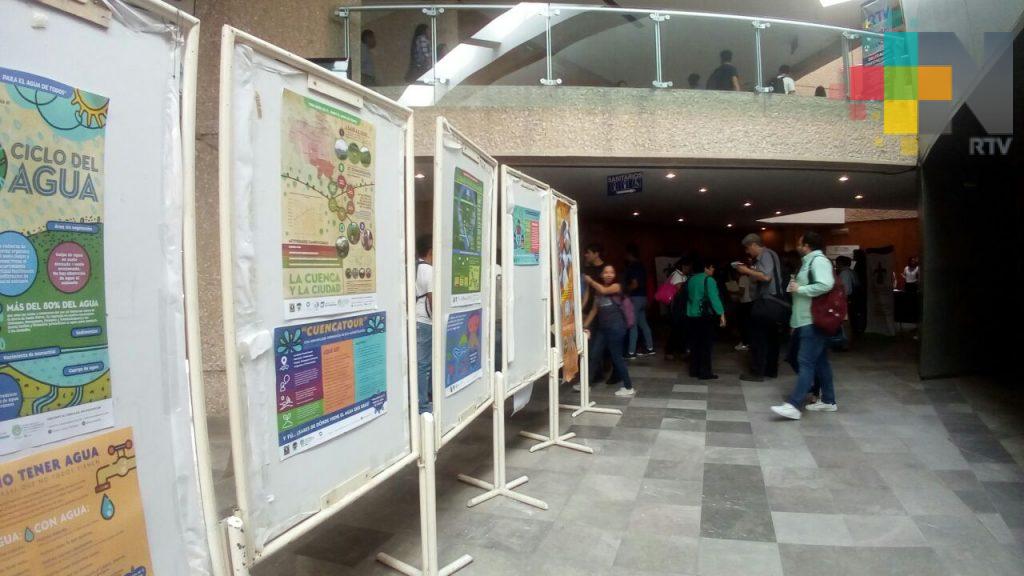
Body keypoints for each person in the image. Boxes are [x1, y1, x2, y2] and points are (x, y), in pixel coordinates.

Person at [772, 231, 837, 419]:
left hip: (812, 320)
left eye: (800, 243)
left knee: (805, 362)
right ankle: (828, 400)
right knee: (821, 362)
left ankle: (794, 404)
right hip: (805, 320)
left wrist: (800, 288)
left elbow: (825, 284)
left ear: (807, 245)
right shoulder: (808, 262)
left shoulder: (818, 261)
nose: (797, 246)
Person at [734, 234, 785, 382]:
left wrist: (746, 271)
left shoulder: (766, 255)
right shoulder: (772, 254)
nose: (747, 252)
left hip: (766, 301)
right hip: (775, 301)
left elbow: (766, 277)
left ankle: (757, 372)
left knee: (758, 337)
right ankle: (770, 370)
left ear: (754, 245)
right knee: (772, 337)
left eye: (747, 248)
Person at [583, 265, 635, 397]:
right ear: (601, 275)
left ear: (615, 275)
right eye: (606, 272)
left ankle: (628, 387)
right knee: (594, 355)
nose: (609, 274)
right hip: (603, 329)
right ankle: (586, 384)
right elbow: (594, 310)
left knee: (617, 358)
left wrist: (590, 281)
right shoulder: (598, 292)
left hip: (616, 328)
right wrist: (584, 325)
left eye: (612, 272)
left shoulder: (617, 286)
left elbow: (604, 290)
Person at [686, 258, 726, 380]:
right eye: (712, 267)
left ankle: (694, 370)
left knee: (695, 344)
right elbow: (714, 298)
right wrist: (721, 314)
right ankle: (705, 372)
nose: (713, 270)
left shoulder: (691, 279)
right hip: (704, 316)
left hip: (691, 315)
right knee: (706, 345)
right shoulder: (709, 280)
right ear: (706, 268)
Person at [624, 244, 654, 358]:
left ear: (629, 254)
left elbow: (634, 284)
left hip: (635, 298)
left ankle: (631, 352)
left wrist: (625, 291)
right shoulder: (642, 266)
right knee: (643, 323)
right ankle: (650, 348)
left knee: (633, 325)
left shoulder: (633, 267)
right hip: (643, 297)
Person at [415, 235, 434, 413]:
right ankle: (423, 404)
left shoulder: (415, 267)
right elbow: (432, 298)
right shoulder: (429, 270)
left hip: (415, 318)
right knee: (424, 364)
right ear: (430, 251)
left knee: (420, 362)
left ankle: (422, 398)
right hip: (426, 321)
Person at [665, 257, 691, 361]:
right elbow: (679, 291)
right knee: (676, 329)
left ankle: (681, 351)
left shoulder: (682, 275)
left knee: (681, 329)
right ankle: (669, 351)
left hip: (681, 307)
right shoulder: (677, 275)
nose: (689, 269)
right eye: (688, 267)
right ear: (683, 266)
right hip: (677, 306)